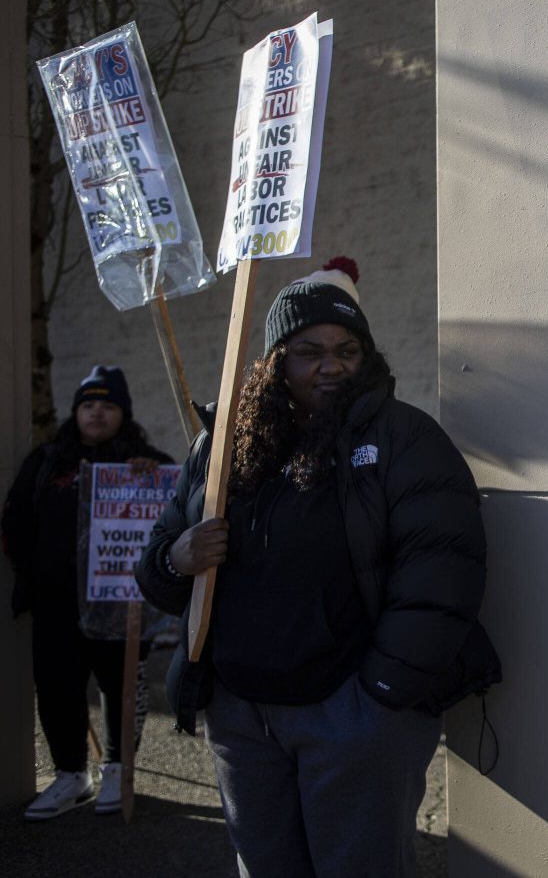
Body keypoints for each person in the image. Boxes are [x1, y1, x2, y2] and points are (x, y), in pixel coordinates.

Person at [135, 257, 500, 878]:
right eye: (309, 350)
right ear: (276, 361)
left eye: (347, 349)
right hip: (243, 716)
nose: (331, 364)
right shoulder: (221, 446)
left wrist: (379, 699)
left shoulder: (405, 439)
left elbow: (441, 575)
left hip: (353, 712)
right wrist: (178, 558)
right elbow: (158, 567)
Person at [2, 365, 173, 819]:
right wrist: (33, 575)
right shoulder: (47, 462)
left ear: (125, 412)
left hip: (121, 602)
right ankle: (70, 774)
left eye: (108, 404)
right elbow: (16, 520)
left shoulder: (146, 462)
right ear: (76, 411)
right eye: (88, 403)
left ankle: (118, 767)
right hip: (56, 603)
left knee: (120, 686)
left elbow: (175, 517)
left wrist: (150, 479)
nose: (97, 412)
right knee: (57, 686)